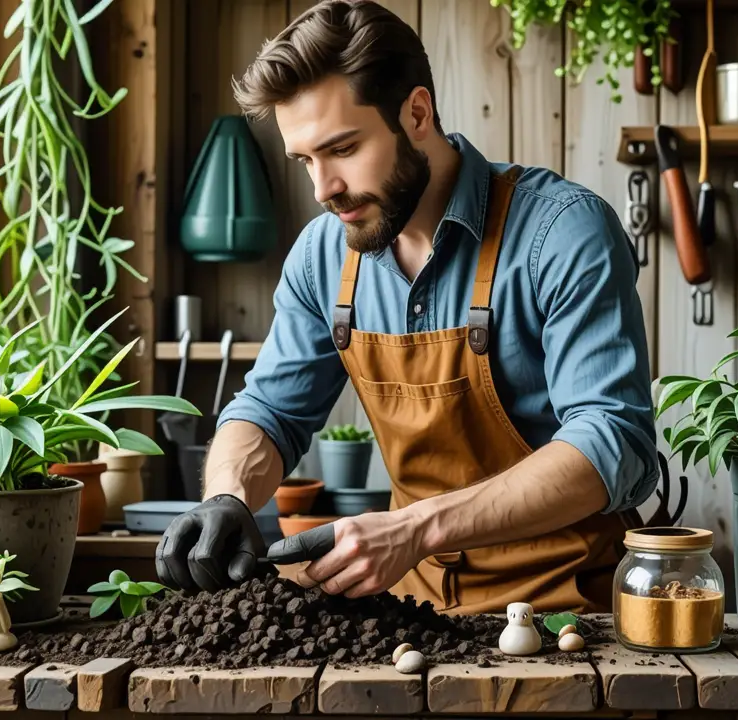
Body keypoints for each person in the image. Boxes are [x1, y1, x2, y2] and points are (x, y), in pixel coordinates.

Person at [155, 0, 658, 615]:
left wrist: (415, 529)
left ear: (416, 112)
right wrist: (228, 497)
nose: (322, 189)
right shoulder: (322, 256)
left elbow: (612, 442)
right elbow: (269, 410)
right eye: (306, 160)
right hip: (408, 618)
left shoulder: (562, 232)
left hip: (567, 613)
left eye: (342, 149)